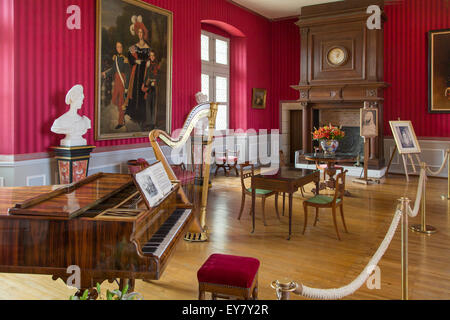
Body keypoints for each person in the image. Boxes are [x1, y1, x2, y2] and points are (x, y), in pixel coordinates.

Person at [126, 27, 151, 128]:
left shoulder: (147, 47)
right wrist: (135, 61)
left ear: (144, 34)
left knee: (142, 92)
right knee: (135, 91)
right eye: (139, 32)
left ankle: (141, 116)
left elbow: (150, 58)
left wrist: (148, 62)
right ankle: (133, 114)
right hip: (136, 71)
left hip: (144, 72)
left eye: (141, 32)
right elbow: (129, 55)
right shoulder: (134, 46)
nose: (140, 34)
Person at [102, 42, 130, 129]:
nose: (119, 48)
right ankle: (123, 112)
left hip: (122, 81)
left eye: (120, 47)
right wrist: (106, 74)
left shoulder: (125, 59)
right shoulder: (116, 58)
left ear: (122, 48)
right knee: (114, 100)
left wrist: (126, 87)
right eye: (118, 47)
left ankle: (120, 122)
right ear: (116, 48)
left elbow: (128, 74)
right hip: (117, 81)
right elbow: (114, 70)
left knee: (121, 101)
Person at [142, 50, 160, 128]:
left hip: (154, 85)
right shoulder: (148, 64)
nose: (152, 57)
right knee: (148, 104)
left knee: (154, 104)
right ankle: (149, 122)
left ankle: (153, 122)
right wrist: (145, 84)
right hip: (149, 85)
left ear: (155, 56)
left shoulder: (157, 65)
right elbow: (146, 75)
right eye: (151, 55)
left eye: (153, 55)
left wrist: (155, 82)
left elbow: (159, 76)